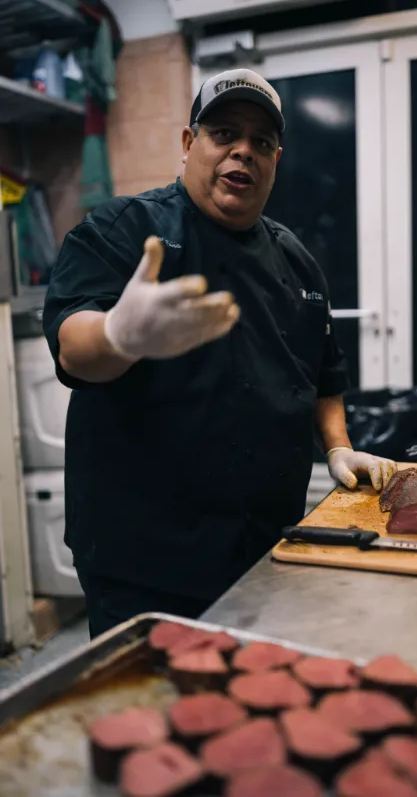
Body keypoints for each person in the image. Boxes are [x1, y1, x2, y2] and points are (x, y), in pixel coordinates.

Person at [43, 69, 397, 638]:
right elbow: (74, 349)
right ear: (189, 144)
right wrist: (120, 335)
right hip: (142, 561)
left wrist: (339, 448)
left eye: (261, 142)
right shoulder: (123, 230)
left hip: (265, 547)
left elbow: (322, 376)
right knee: (149, 716)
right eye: (224, 133)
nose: (243, 152)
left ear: (276, 159)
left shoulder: (297, 260)